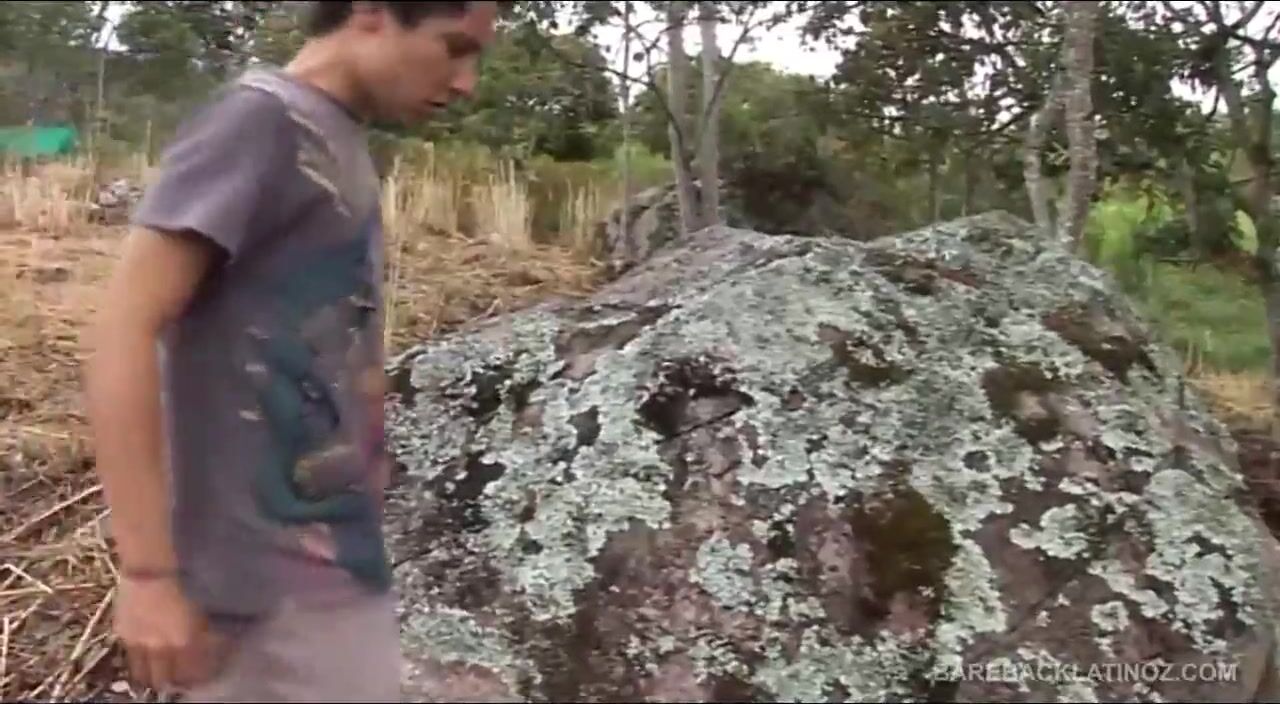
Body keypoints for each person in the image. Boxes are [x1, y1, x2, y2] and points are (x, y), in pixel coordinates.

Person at [81, 2, 499, 701]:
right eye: (452, 47)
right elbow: (124, 327)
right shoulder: (260, 123)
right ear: (371, 13)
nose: (465, 82)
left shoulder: (335, 133)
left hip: (331, 572)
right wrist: (148, 574)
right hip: (259, 597)